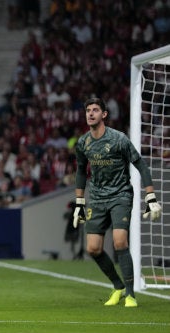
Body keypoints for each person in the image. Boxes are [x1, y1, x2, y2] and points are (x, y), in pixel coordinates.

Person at [72, 97, 162, 308]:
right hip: (96, 197)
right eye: (88, 110)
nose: (90, 113)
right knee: (93, 248)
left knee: (120, 242)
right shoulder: (83, 142)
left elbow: (140, 165)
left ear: (104, 114)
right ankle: (118, 286)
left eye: (95, 110)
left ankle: (130, 294)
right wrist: (79, 202)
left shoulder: (119, 139)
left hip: (120, 195)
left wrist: (150, 196)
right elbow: (80, 171)